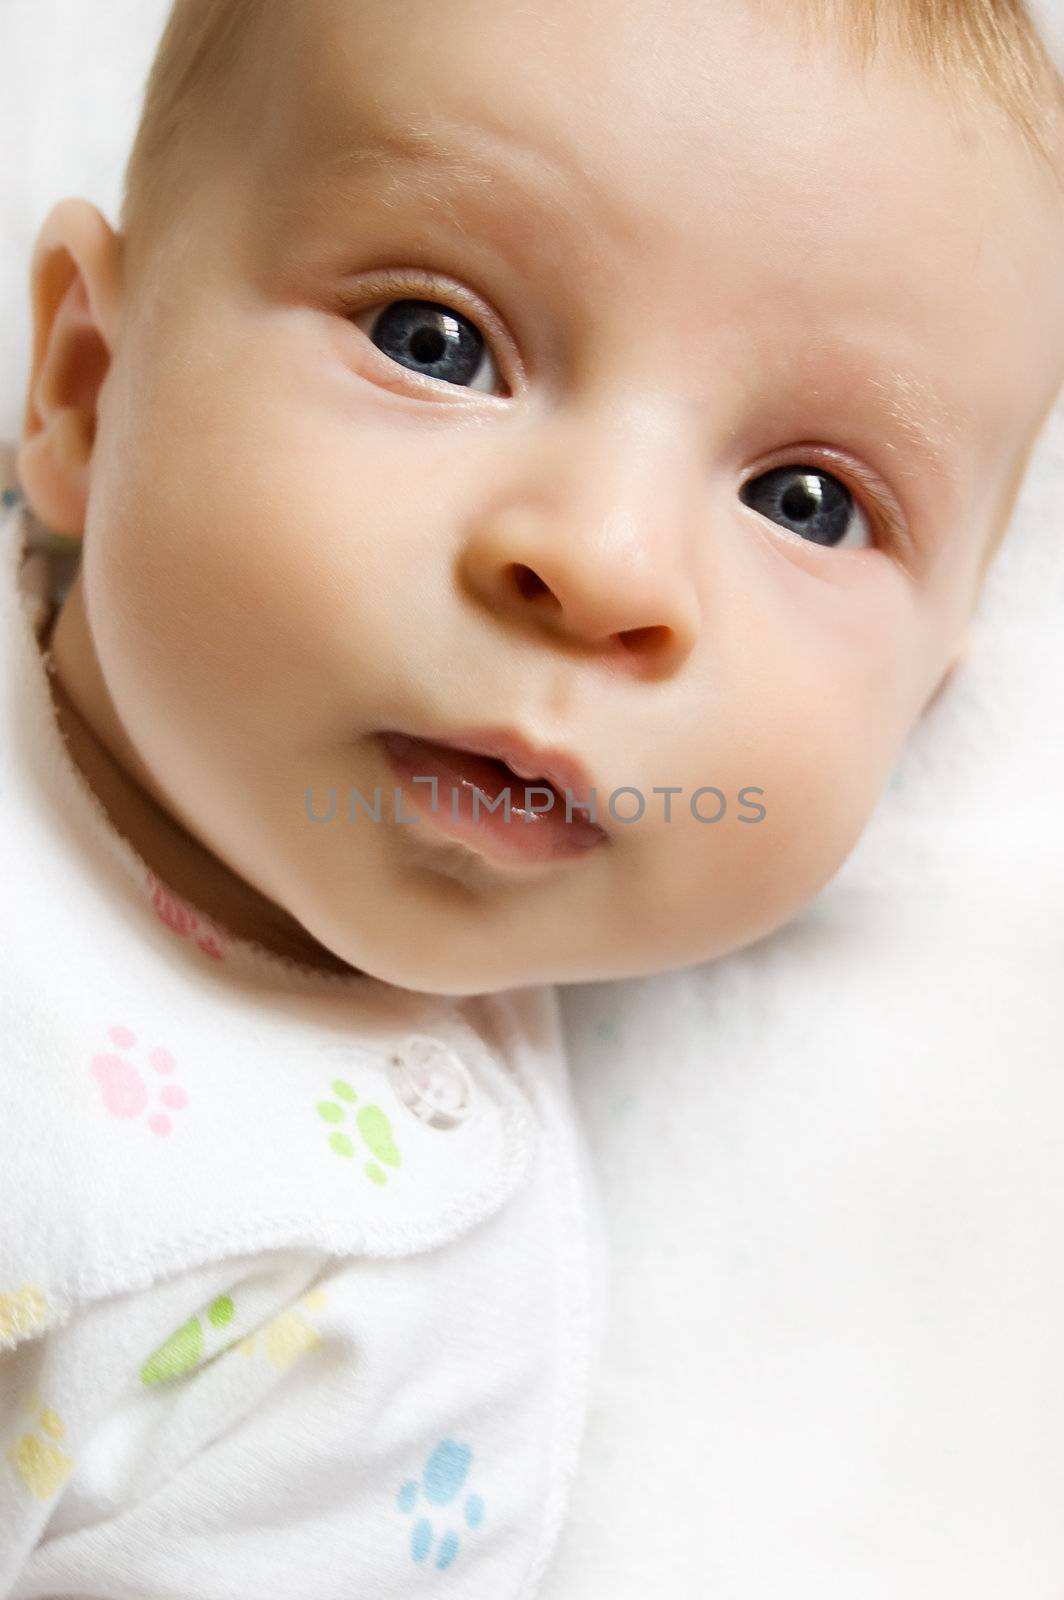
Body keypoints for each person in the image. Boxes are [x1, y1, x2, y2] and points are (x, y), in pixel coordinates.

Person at [2, 0, 1063, 1593]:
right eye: (438, 342)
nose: (603, 565)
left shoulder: (412, 1335)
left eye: (808, 501)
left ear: (922, 708)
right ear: (88, 387)